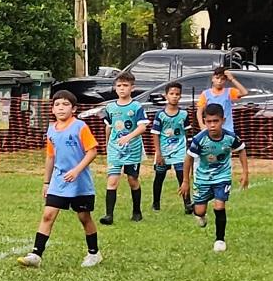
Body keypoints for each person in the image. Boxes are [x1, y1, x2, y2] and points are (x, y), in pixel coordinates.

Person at [17, 90, 102, 268]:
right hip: (58, 180)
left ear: (74, 109)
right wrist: (46, 182)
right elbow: (50, 157)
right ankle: (36, 254)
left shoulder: (80, 126)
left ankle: (94, 253)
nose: (61, 108)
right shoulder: (51, 130)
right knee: (48, 215)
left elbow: (92, 151)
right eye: (57, 105)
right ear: (52, 109)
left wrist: (77, 170)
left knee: (84, 217)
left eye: (65, 104)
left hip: (80, 182)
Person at [179, 103, 249, 252]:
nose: (212, 125)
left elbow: (241, 150)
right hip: (202, 179)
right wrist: (185, 181)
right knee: (199, 210)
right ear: (204, 121)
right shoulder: (199, 139)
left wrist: (245, 173)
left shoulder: (230, 137)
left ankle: (220, 240)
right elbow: (188, 159)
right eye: (209, 122)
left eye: (215, 121)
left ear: (223, 120)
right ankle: (200, 215)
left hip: (222, 177)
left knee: (219, 205)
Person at [98, 71, 149, 225]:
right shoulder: (110, 107)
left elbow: (143, 127)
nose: (122, 88)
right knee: (112, 180)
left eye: (125, 85)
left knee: (132, 179)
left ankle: (137, 211)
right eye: (119, 85)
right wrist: (108, 144)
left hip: (132, 149)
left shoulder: (136, 106)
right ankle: (109, 215)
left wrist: (128, 137)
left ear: (132, 88)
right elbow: (109, 127)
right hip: (115, 150)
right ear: (115, 88)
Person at [151, 81, 193, 214]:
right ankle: (156, 203)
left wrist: (189, 150)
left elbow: (187, 133)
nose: (174, 96)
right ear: (166, 96)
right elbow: (156, 134)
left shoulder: (184, 114)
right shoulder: (160, 115)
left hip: (180, 152)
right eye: (171, 94)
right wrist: (158, 153)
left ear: (180, 96)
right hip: (164, 151)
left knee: (182, 176)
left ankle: (187, 204)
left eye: (177, 94)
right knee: (159, 177)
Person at [196, 67, 248, 133]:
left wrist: (232, 79)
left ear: (226, 80)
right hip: (212, 128)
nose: (219, 81)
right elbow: (199, 111)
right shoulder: (206, 94)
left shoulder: (229, 92)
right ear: (213, 78)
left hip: (227, 128)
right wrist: (202, 125)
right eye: (217, 78)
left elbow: (244, 92)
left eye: (222, 79)